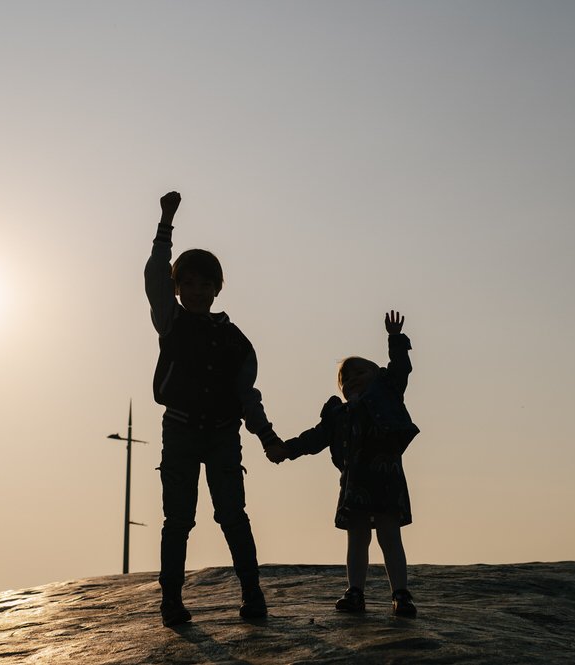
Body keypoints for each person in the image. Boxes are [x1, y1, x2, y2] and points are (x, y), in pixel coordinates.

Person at [145, 190, 283, 627]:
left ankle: (252, 593)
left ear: (217, 288)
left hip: (223, 433)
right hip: (180, 430)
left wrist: (267, 437)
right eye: (188, 283)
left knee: (232, 516)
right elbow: (154, 276)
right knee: (178, 520)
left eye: (205, 284)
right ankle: (171, 600)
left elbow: (247, 395)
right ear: (177, 287)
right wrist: (166, 222)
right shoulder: (171, 321)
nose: (197, 291)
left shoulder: (235, 340)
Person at [265, 311, 420, 617]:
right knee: (357, 537)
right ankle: (355, 592)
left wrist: (395, 339)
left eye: (360, 372)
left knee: (390, 535)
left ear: (377, 375)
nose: (352, 379)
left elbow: (400, 368)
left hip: (386, 477)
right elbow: (314, 438)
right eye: (345, 378)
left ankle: (400, 594)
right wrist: (286, 449)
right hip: (355, 482)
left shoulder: (387, 392)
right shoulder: (338, 414)